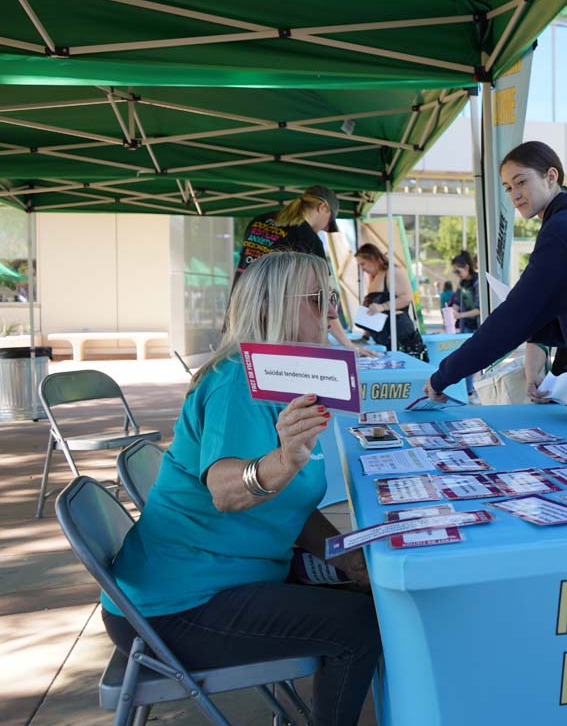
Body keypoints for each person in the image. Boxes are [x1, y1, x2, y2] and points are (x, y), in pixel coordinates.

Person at [101, 251, 382, 726]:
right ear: (272, 306)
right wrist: (283, 460)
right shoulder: (236, 380)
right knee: (361, 627)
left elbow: (290, 501)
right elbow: (226, 492)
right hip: (174, 605)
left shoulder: (286, 378)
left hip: (226, 575)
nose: (333, 311)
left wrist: (342, 558)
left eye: (334, 297)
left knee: (376, 595)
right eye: (319, 299)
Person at [423, 141, 567, 438]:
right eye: (508, 187)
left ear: (551, 176)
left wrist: (444, 376)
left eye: (521, 181)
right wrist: (536, 356)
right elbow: (562, 305)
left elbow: (513, 319)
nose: (515, 194)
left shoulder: (566, 229)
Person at [233, 185, 377, 357]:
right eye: (329, 221)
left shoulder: (260, 221)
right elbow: (322, 299)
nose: (326, 228)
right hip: (278, 328)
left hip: (241, 311)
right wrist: (347, 344)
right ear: (322, 207)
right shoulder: (308, 239)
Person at [353, 242, 427, 360]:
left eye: (363, 264)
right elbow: (373, 311)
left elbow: (407, 297)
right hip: (383, 334)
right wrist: (365, 336)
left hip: (398, 330)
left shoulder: (393, 272)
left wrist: (383, 307)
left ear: (373, 259)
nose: (362, 269)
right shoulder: (374, 277)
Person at [450, 251, 481, 403]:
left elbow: (480, 309)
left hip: (479, 326)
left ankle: (479, 390)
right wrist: (451, 311)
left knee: (481, 359)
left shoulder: (478, 282)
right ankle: (469, 391)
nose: (457, 274)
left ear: (467, 267)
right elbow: (456, 302)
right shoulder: (462, 284)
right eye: (454, 271)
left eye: (458, 271)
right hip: (466, 327)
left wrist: (460, 315)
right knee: (466, 357)